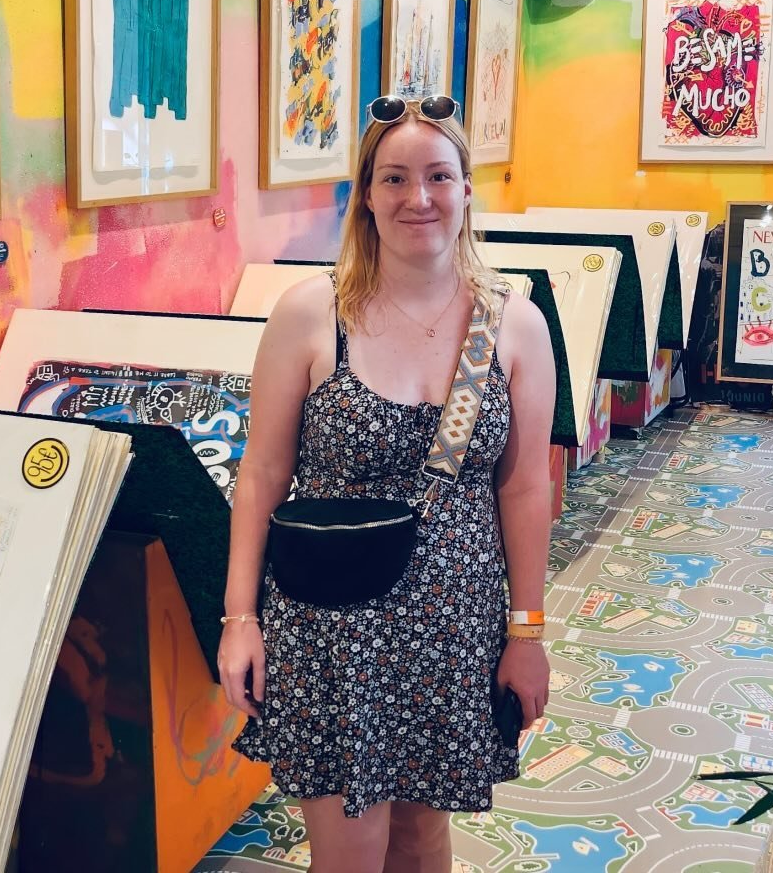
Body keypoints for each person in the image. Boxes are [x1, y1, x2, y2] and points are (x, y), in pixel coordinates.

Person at [219, 94, 556, 873]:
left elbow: (524, 489)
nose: (418, 197)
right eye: (395, 178)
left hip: (454, 628)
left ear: (466, 188)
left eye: (437, 176)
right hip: (332, 627)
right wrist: (240, 619)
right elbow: (262, 473)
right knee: (351, 850)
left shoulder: (513, 324)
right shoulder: (311, 314)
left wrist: (527, 633)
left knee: (420, 839)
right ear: (366, 195)